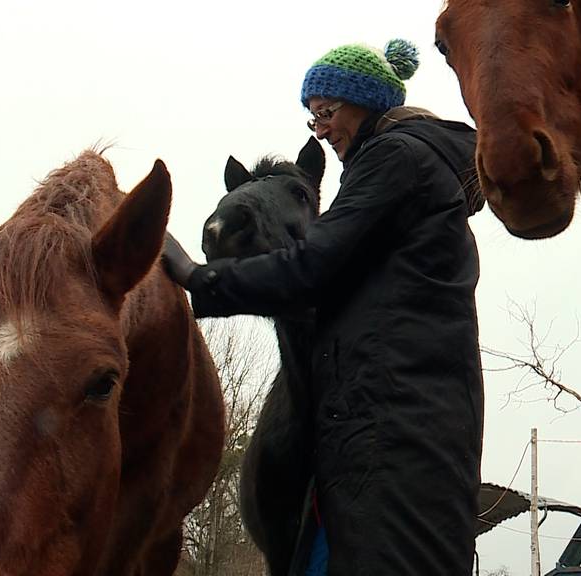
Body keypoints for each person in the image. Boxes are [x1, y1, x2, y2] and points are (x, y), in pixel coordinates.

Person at [163, 39, 485, 575]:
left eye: (327, 113)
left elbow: (314, 265)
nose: (322, 129)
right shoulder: (406, 169)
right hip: (382, 436)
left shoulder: (395, 157)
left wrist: (199, 278)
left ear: (368, 101)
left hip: (391, 436)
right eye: (314, 120)